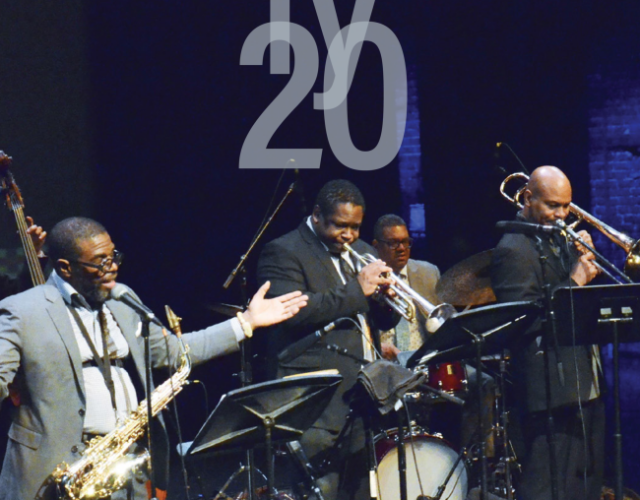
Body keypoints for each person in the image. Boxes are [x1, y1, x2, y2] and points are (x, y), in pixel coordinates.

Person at [0, 216, 308, 500]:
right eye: (99, 262)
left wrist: (246, 323)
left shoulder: (121, 297)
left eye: (114, 257)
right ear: (65, 268)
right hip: (57, 472)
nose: (112, 268)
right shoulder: (22, 311)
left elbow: (174, 353)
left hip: (120, 465)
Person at [256, 180, 398, 500]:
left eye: (356, 227)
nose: (349, 235)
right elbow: (293, 312)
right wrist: (357, 290)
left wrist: (385, 300)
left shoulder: (364, 252)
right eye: (340, 225)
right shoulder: (283, 251)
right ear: (317, 215)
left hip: (362, 399)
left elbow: (381, 320)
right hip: (315, 405)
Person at [490, 166, 604, 500]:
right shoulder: (513, 248)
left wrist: (581, 255)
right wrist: (576, 280)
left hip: (584, 382)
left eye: (566, 206)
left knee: (586, 483)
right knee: (548, 486)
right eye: (553, 205)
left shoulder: (554, 238)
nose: (562, 214)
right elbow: (523, 320)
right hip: (549, 389)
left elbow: (574, 305)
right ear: (527, 197)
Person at [371, 214, 440, 361]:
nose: (401, 248)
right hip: (384, 362)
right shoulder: (366, 278)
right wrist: (376, 347)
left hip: (424, 361)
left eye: (405, 242)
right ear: (376, 246)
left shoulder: (428, 272)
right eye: (393, 243)